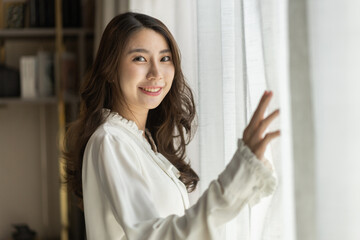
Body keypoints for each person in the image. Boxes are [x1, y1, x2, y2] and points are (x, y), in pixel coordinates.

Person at [64, 12, 280, 240]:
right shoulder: (110, 140)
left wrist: (249, 170)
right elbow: (154, 235)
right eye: (140, 58)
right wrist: (240, 171)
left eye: (165, 59)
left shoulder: (141, 140)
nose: (156, 73)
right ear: (110, 69)